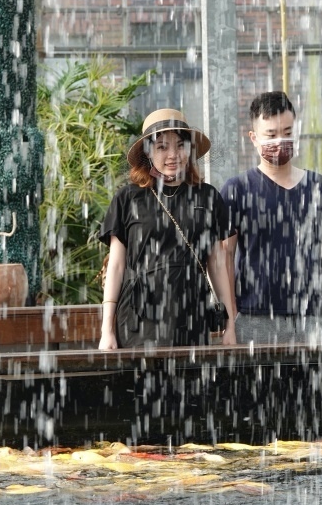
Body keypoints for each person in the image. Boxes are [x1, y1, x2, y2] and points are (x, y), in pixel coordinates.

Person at [98, 108, 236, 349]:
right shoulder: (128, 198)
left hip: (192, 315)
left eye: (180, 145)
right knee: (141, 386)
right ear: (148, 153)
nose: (173, 154)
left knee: (190, 385)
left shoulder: (207, 197)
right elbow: (117, 265)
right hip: (139, 319)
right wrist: (106, 330)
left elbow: (217, 263)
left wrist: (230, 326)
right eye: (162, 146)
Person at [221, 91, 322, 345]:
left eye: (288, 131)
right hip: (254, 319)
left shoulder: (320, 188)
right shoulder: (237, 189)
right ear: (254, 138)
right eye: (271, 134)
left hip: (316, 318)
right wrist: (231, 319)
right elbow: (224, 255)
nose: (280, 140)